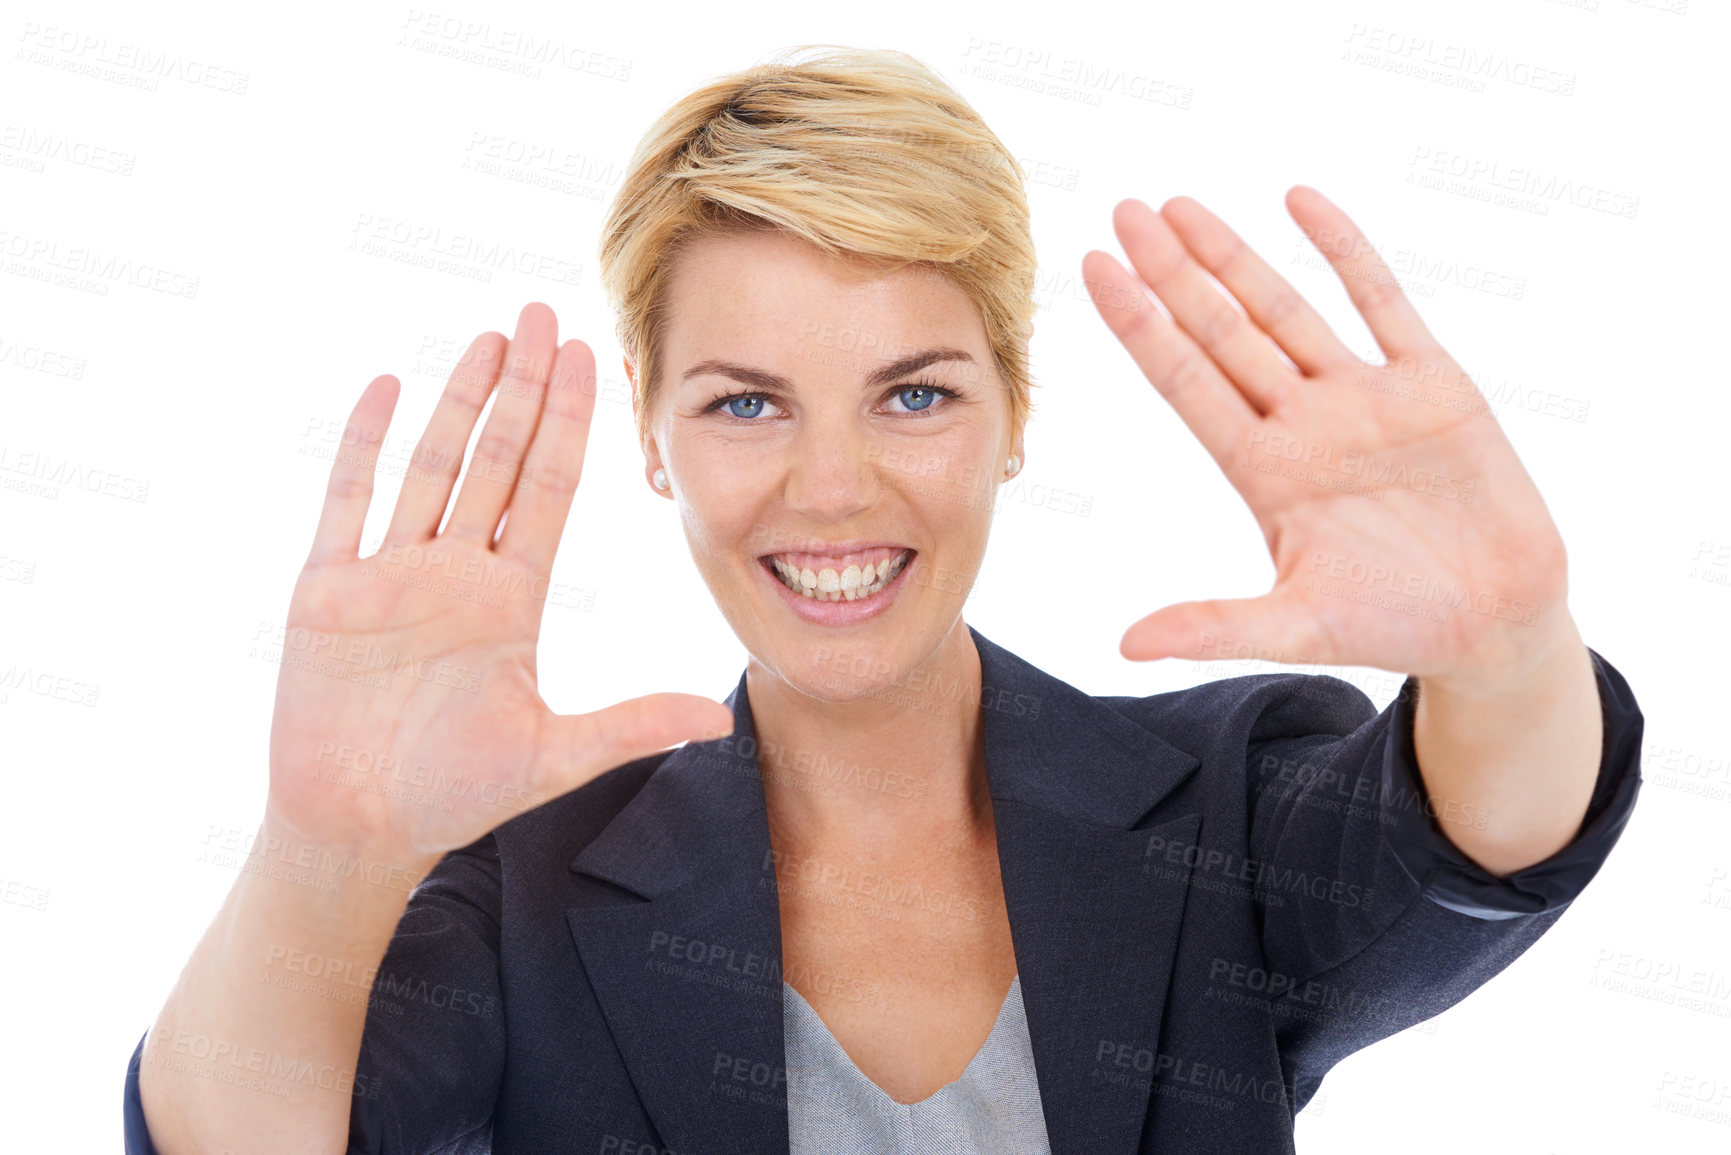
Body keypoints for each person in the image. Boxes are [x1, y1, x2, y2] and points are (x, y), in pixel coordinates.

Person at [123, 46, 1643, 1155]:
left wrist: (1510, 650)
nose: (834, 489)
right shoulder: (527, 893)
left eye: (912, 394)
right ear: (652, 440)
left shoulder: (1219, 818)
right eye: (745, 406)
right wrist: (322, 853)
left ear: (1016, 412)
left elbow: (1480, 838)